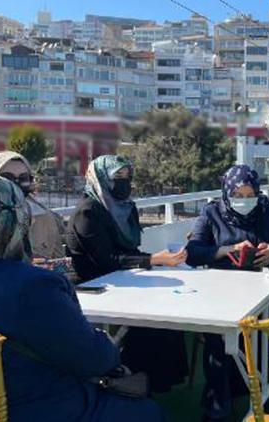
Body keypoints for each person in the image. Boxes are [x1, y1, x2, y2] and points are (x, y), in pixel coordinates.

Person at [0, 175, 166, 422]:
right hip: (45, 409)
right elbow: (94, 359)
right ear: (18, 221)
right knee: (147, 411)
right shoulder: (32, 285)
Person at [186, 164, 269, 422]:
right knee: (218, 339)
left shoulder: (267, 212)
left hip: (261, 291)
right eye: (239, 195)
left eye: (251, 195)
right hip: (219, 293)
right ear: (227, 192)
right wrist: (225, 251)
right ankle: (219, 406)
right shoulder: (211, 212)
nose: (245, 201)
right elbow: (192, 252)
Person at [65, 155, 188, 394]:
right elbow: (106, 261)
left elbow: (129, 252)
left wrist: (160, 260)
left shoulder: (126, 208)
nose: (123, 182)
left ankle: (159, 381)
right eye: (116, 177)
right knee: (148, 322)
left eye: (126, 176)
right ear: (99, 179)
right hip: (96, 284)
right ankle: (136, 380)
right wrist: (154, 259)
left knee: (168, 313)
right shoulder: (87, 212)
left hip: (125, 279)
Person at [0, 151, 66, 260]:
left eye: (23, 178)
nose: (15, 184)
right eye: (7, 178)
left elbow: (59, 261)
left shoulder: (43, 216)